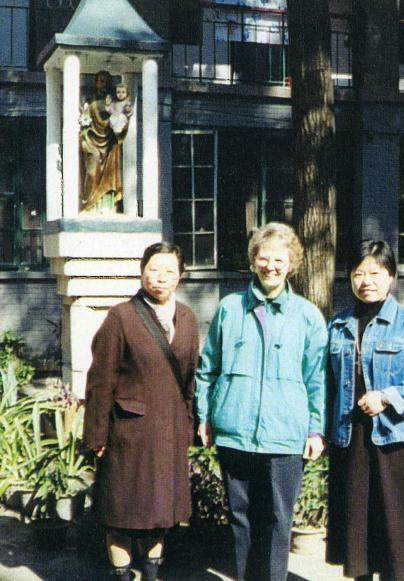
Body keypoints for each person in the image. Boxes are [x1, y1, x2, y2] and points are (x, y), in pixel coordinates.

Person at [195, 222, 328, 581]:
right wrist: (205, 416)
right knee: (240, 517)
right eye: (263, 258)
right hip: (234, 431)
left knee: (277, 520)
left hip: (285, 435)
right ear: (253, 261)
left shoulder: (307, 316)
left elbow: (317, 378)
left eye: (279, 260)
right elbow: (208, 367)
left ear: (292, 264)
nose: (271, 266)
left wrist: (316, 429)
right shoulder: (229, 309)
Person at [326, 240, 404, 581]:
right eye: (358, 274)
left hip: (395, 438)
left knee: (398, 531)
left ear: (391, 276)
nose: (366, 281)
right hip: (351, 437)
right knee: (359, 528)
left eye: (375, 273)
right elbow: (328, 385)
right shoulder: (338, 325)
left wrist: (387, 397)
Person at [83, 242, 199, 581]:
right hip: (128, 434)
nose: (160, 278)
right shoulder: (121, 317)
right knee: (120, 512)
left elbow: (191, 377)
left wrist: (188, 425)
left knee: (160, 513)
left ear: (180, 277)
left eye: (169, 272)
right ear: (141, 271)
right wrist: (96, 434)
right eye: (154, 270)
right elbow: (100, 380)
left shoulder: (188, 319)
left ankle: (151, 575)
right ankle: (121, 576)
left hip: (170, 433)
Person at [80, 70, 124, 213]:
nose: (103, 84)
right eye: (101, 81)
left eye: (106, 81)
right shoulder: (90, 101)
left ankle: (107, 206)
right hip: (93, 141)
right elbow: (85, 123)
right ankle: (88, 205)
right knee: (92, 173)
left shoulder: (113, 103)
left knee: (110, 176)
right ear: (96, 83)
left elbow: (118, 124)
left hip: (109, 143)